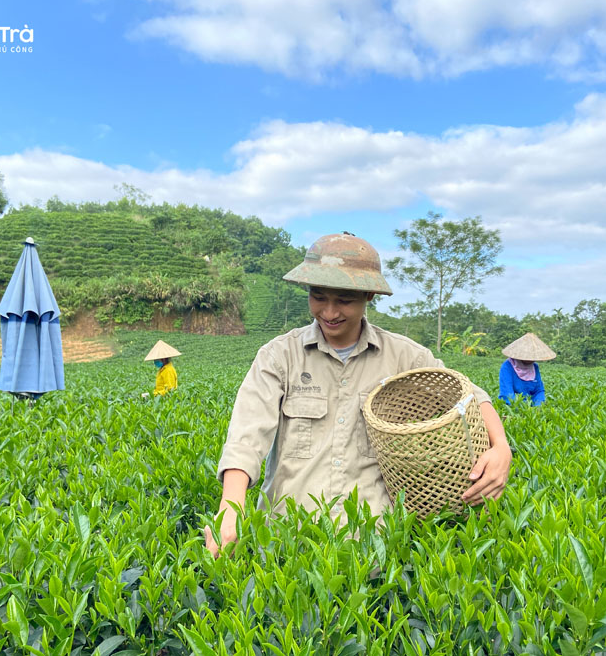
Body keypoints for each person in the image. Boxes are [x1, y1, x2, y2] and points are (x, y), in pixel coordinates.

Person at [205, 233, 512, 556]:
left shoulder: (402, 356)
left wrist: (501, 447)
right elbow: (246, 436)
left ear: (368, 295)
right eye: (318, 297)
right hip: (287, 545)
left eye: (345, 300)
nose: (329, 311)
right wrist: (231, 506)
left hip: (374, 549)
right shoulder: (279, 356)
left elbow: (466, 394)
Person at [498, 333, 555, 406]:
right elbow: (507, 394)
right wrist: (521, 410)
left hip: (530, 407)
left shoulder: (534, 367)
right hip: (512, 407)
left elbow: (539, 391)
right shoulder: (507, 367)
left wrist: (538, 407)